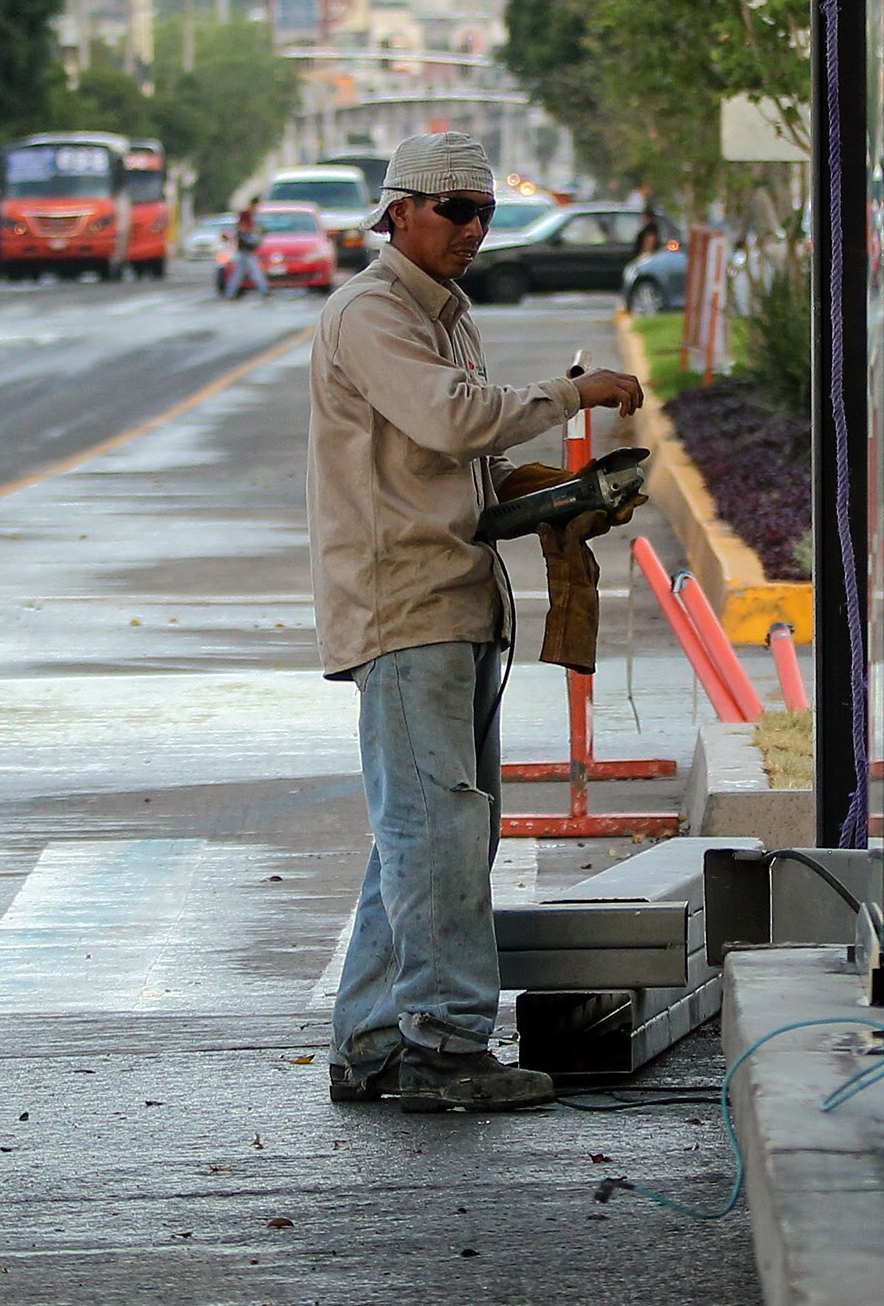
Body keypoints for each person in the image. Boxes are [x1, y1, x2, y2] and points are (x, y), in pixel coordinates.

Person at [310, 132, 645, 1112]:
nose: (474, 229)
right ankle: (445, 1046)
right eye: (456, 210)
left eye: (485, 213)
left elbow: (471, 468)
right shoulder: (373, 313)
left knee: (428, 832)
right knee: (439, 834)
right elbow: (454, 420)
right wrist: (572, 394)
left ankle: (373, 1041)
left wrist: (560, 498)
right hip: (403, 607)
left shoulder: (448, 317)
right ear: (398, 212)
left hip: (455, 601)